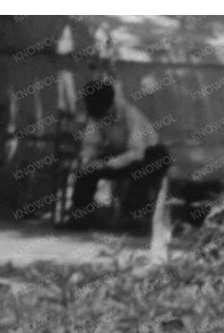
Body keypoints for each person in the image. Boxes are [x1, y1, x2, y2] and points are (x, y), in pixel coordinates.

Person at [66, 78, 171, 226]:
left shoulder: (130, 115)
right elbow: (91, 144)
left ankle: (133, 218)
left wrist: (106, 164)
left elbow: (137, 153)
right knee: (86, 172)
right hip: (122, 153)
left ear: (111, 105)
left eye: (104, 114)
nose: (102, 118)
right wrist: (88, 162)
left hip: (152, 154)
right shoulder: (96, 114)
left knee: (141, 169)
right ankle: (80, 217)